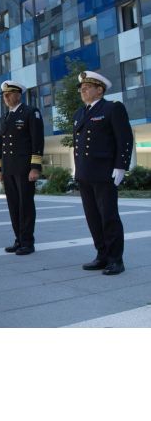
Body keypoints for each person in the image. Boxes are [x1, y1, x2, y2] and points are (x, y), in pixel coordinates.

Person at [74, 71, 133, 275]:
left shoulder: (112, 108)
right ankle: (102, 255)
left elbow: (124, 138)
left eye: (87, 87)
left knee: (108, 217)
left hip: (104, 172)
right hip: (85, 174)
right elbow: (78, 146)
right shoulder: (80, 113)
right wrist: (77, 170)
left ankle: (116, 260)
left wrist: (121, 166)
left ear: (100, 89)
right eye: (81, 88)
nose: (83, 90)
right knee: (92, 218)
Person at [0, 81, 44, 255]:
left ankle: (28, 242)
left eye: (9, 94)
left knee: (26, 205)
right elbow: (1, 146)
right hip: (8, 169)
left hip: (24, 169)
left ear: (18, 95)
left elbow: (37, 142)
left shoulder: (31, 113)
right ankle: (18, 240)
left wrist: (35, 167)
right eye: (4, 95)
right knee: (13, 205)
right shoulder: (5, 118)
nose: (6, 98)